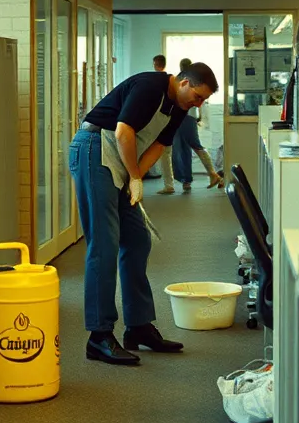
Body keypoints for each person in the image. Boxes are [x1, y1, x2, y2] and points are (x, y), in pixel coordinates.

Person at [70, 62, 218, 365]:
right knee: (105, 244)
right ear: (185, 82)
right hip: (95, 147)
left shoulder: (179, 106)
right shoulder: (150, 86)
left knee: (138, 240)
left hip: (123, 155)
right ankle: (99, 336)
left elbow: (160, 145)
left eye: (203, 100)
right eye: (198, 97)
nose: (198, 104)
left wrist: (135, 175)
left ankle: (138, 327)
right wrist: (135, 177)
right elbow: (124, 131)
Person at [153, 54, 178, 194]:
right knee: (166, 153)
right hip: (166, 120)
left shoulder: (153, 81)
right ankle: (169, 184)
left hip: (156, 122)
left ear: (155, 64)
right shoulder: (171, 81)